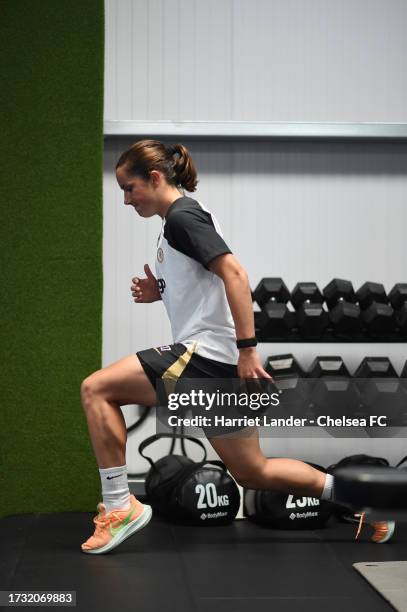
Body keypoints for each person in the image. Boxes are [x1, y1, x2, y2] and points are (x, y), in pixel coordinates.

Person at [80, 140, 394, 553]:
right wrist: (160, 290)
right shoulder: (182, 219)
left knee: (96, 388)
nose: (125, 199)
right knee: (253, 471)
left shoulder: (182, 217)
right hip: (216, 361)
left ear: (155, 178)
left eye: (129, 188)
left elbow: (235, 274)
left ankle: (121, 505)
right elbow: (204, 282)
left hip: (207, 354)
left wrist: (248, 348)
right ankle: (363, 501)